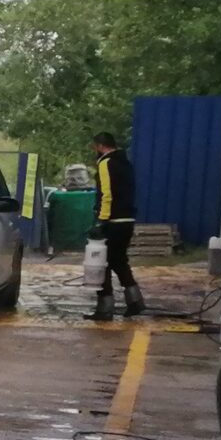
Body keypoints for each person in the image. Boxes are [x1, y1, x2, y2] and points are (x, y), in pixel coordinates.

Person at [89, 131, 143, 320]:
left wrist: (102, 221)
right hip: (127, 220)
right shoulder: (126, 164)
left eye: (95, 147)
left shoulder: (106, 163)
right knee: (119, 261)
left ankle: (104, 308)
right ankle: (135, 301)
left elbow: (107, 194)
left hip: (113, 221)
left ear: (100, 146)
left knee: (101, 263)